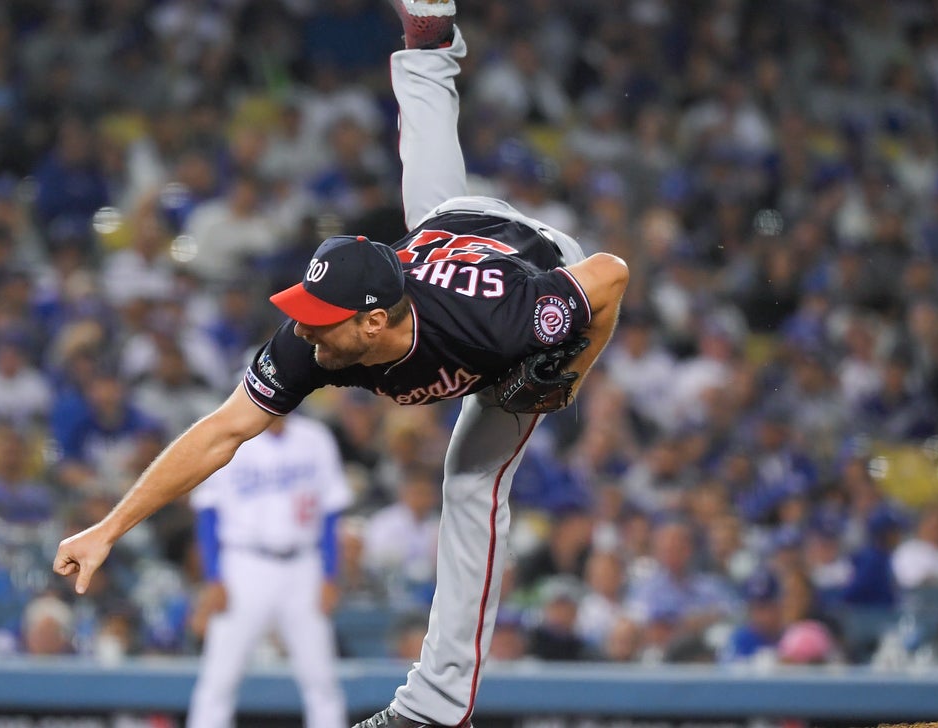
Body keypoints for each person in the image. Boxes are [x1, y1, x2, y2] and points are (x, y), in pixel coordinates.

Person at [54, 2, 629, 726]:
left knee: (471, 482)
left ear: (373, 320)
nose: (304, 329)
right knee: (432, 208)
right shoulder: (320, 336)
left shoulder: (498, 320)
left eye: (322, 319)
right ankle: (427, 44)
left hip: (534, 269)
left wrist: (568, 375)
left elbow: (610, 274)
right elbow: (222, 432)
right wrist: (108, 527)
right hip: (451, 231)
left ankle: (435, 708)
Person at [186, 413, 352, 728]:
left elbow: (331, 512)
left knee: (321, 679)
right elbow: (208, 512)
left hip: (304, 565)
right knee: (219, 678)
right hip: (244, 565)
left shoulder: (315, 438)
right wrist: (214, 578)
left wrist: (330, 575)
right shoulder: (229, 436)